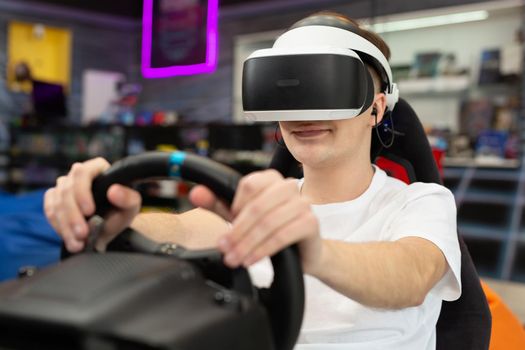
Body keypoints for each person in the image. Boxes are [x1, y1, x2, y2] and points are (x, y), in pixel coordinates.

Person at [44, 12, 461, 350]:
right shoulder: (252, 204)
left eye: (326, 89)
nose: (303, 115)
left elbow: (412, 274)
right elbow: (181, 227)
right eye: (290, 92)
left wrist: (311, 251)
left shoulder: (420, 202)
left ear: (376, 108)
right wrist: (102, 216)